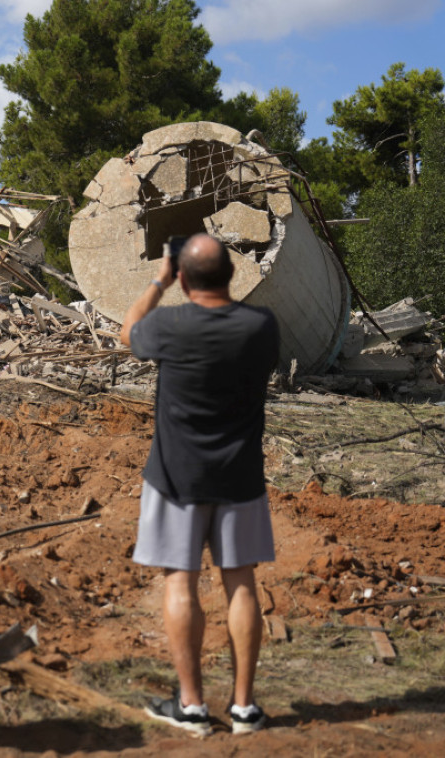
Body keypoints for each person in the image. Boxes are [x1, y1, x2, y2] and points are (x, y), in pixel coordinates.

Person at [119, 233, 279, 737]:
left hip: (174, 477)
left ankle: (191, 706)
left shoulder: (167, 324)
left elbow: (128, 332)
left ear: (183, 277)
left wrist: (159, 281)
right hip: (241, 477)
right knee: (240, 583)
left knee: (180, 582)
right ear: (231, 275)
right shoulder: (261, 326)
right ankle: (245, 709)